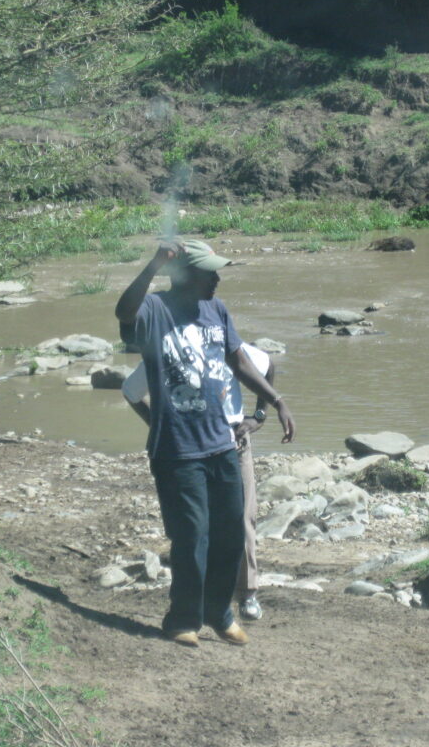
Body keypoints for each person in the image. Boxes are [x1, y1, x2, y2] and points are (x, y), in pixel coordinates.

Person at [114, 238, 294, 647]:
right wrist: (154, 264)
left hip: (221, 444)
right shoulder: (156, 311)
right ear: (185, 276)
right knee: (192, 536)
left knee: (230, 533)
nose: (216, 279)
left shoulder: (217, 310)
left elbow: (240, 362)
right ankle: (182, 619)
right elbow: (124, 311)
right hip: (177, 451)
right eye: (209, 272)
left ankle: (219, 613)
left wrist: (274, 401)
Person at [122, 342, 276, 621]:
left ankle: (247, 593)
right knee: (193, 524)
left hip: (233, 442)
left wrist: (259, 416)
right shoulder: (163, 349)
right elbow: (131, 391)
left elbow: (266, 366)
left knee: (241, 518)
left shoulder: (223, 342)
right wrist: (157, 424)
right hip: (187, 447)